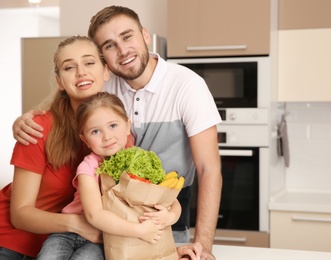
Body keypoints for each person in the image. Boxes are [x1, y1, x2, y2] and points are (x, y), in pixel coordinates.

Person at [12, 5, 223, 259]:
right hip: (103, 224)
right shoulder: (105, 85)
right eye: (109, 45)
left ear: (145, 35)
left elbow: (209, 170)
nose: (122, 51)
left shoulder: (187, 86)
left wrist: (204, 246)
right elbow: (70, 92)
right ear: (105, 61)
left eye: (127, 36)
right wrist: (29, 116)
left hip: (160, 214)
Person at [37, 92, 182, 259]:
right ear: (85, 140)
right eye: (95, 131)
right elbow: (94, 215)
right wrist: (139, 231)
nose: (107, 137)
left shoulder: (140, 161)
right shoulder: (88, 167)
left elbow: (172, 201)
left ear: (128, 126)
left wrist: (168, 217)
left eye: (113, 126)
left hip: (105, 238)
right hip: (67, 232)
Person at [0, 35, 108, 260]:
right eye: (69, 67)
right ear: (60, 81)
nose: (81, 72)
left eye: (89, 63)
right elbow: (20, 214)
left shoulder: (115, 132)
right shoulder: (37, 128)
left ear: (105, 71)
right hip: (12, 241)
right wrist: (79, 224)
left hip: (65, 243)